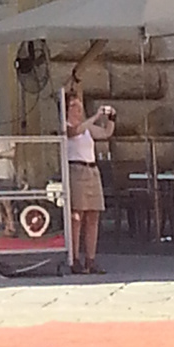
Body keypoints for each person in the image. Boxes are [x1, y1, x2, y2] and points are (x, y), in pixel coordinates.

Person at [63, 82, 116, 274]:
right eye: (74, 107)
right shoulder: (67, 127)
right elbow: (74, 132)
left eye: (79, 107)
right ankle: (74, 258)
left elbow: (105, 133)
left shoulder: (87, 129)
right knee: (77, 216)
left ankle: (91, 259)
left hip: (91, 170)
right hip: (76, 170)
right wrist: (95, 116)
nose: (78, 110)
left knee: (93, 215)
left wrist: (111, 118)